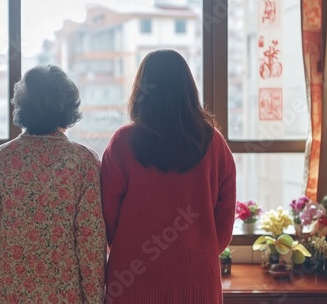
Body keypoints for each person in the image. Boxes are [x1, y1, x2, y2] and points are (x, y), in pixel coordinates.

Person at [101, 49, 236, 303]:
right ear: (188, 90)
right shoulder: (213, 143)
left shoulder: (122, 144)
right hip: (198, 285)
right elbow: (224, 226)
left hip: (132, 283)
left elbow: (108, 221)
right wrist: (199, 249)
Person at [0, 65, 107, 303]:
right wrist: (93, 298)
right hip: (65, 289)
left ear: (22, 107)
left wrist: (20, 245)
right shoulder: (83, 161)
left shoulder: (4, 156)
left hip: (13, 286)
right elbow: (91, 239)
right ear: (69, 109)